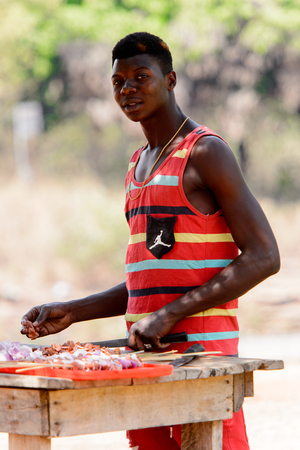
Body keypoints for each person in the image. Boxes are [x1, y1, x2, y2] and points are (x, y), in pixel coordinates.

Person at [21, 32, 280, 450]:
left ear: (171, 80)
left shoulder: (205, 152)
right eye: (118, 82)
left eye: (141, 77)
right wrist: (72, 310)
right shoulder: (136, 167)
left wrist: (169, 315)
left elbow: (265, 257)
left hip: (202, 361)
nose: (128, 89)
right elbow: (149, 281)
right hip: (145, 362)